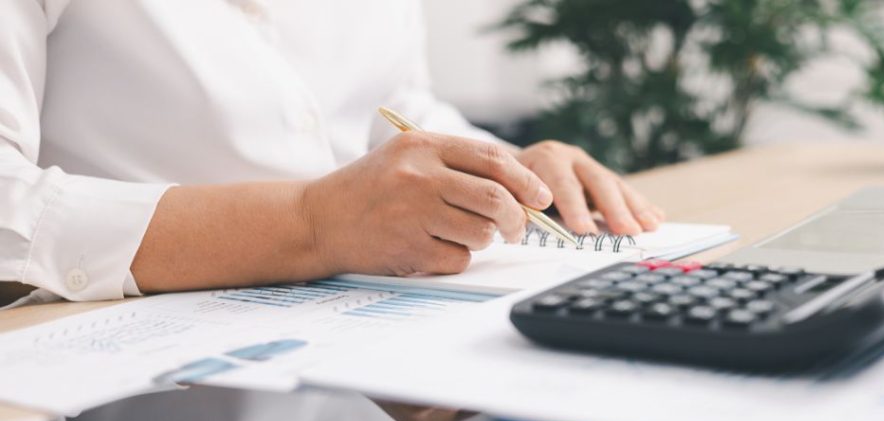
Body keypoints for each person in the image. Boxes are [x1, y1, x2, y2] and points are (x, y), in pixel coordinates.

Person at [0, 1, 665, 306]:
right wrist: (312, 223)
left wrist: (504, 168)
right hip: (119, 381)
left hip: (365, 347)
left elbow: (395, 108)